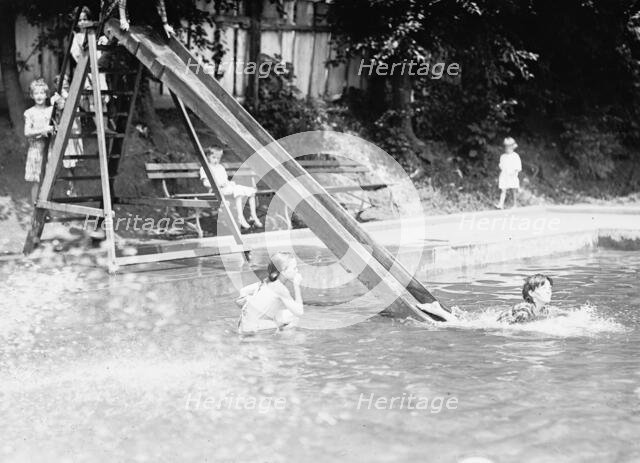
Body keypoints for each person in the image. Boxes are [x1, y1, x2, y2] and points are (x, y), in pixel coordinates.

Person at [236, 252, 304, 334]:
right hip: (254, 332)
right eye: (294, 268)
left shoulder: (266, 281)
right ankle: (281, 340)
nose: (297, 271)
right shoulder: (280, 289)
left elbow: (243, 291)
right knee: (292, 317)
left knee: (282, 313)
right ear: (283, 271)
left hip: (243, 326)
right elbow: (299, 311)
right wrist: (297, 286)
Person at [200, 147, 263, 229]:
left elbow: (225, 180)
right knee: (238, 191)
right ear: (208, 156)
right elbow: (206, 183)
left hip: (226, 189)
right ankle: (240, 217)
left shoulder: (220, 167)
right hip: (215, 191)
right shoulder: (205, 168)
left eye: (218, 158)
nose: (216, 160)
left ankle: (253, 215)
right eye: (214, 158)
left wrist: (229, 183)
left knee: (251, 191)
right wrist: (218, 184)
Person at [24, 79, 54, 204]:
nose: (39, 96)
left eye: (42, 93)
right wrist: (42, 130)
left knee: (48, 180)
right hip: (36, 149)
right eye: (36, 93)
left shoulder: (51, 110)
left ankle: (47, 209)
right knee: (36, 181)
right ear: (32, 95)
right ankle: (35, 209)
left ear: (46, 94)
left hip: (49, 148)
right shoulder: (30, 113)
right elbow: (27, 132)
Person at [51, 74, 82, 196]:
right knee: (67, 162)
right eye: (61, 81)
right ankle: (69, 187)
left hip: (75, 129)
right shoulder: (56, 97)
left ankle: (72, 187)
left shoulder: (73, 95)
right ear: (56, 84)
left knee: (72, 163)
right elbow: (57, 110)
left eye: (66, 81)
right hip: (65, 131)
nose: (65, 83)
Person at [496, 137, 522, 209]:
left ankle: (515, 204)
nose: (507, 148)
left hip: (512, 175)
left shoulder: (515, 156)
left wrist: (514, 172)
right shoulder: (503, 156)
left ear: (512, 147)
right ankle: (501, 204)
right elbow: (501, 166)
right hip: (504, 175)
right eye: (506, 147)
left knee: (514, 190)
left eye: (509, 147)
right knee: (503, 190)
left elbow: (518, 167)